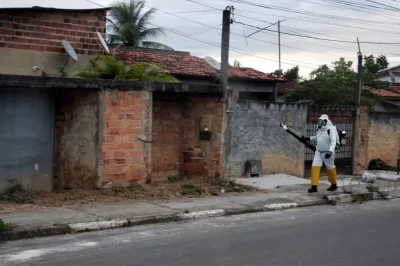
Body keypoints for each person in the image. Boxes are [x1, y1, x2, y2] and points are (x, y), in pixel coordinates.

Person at [303, 114, 338, 193]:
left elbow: (333, 141)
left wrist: (330, 151)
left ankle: (334, 184)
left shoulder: (331, 129)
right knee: (315, 166)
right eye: (319, 120)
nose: (320, 122)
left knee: (330, 168)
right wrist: (309, 138)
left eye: (322, 121)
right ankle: (314, 186)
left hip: (328, 152)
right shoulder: (319, 128)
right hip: (318, 151)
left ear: (326, 121)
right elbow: (317, 137)